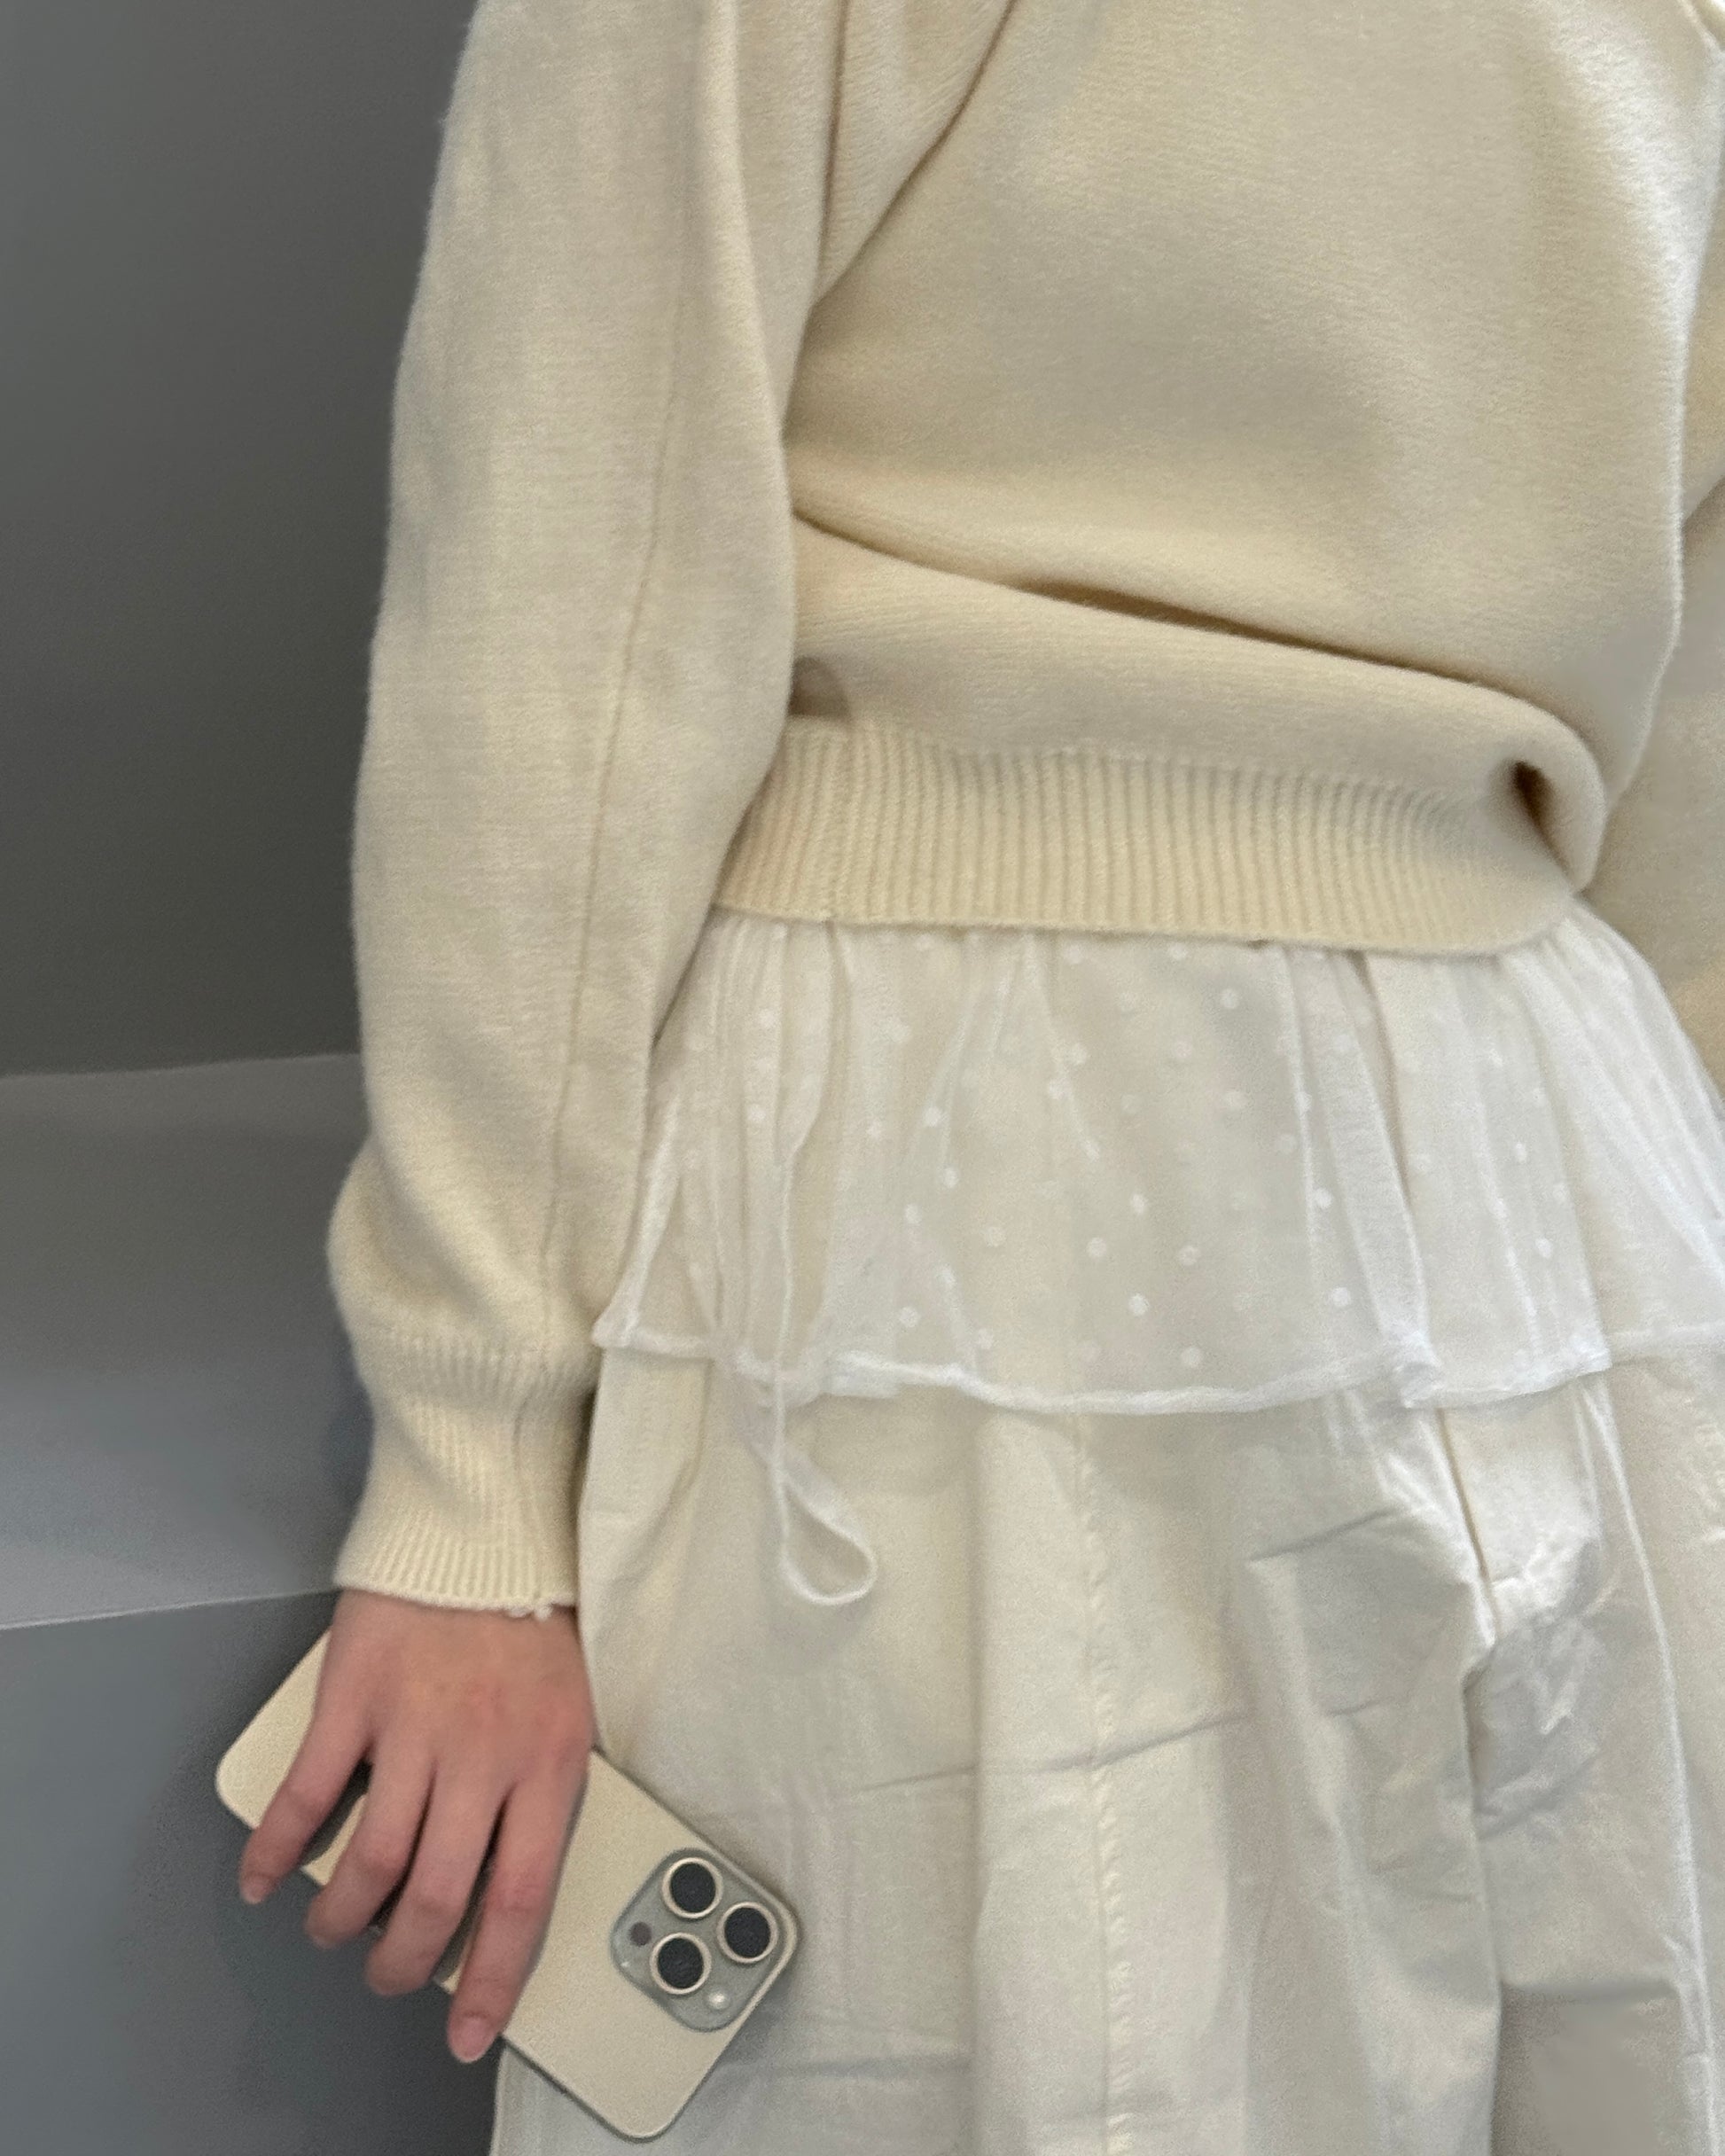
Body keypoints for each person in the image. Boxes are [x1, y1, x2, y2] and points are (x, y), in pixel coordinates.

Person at [238, 0, 1725, 2148]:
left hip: (976, 1175)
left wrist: (476, 1468)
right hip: (1558, 1191)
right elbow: (1689, 761)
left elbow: (573, 612)